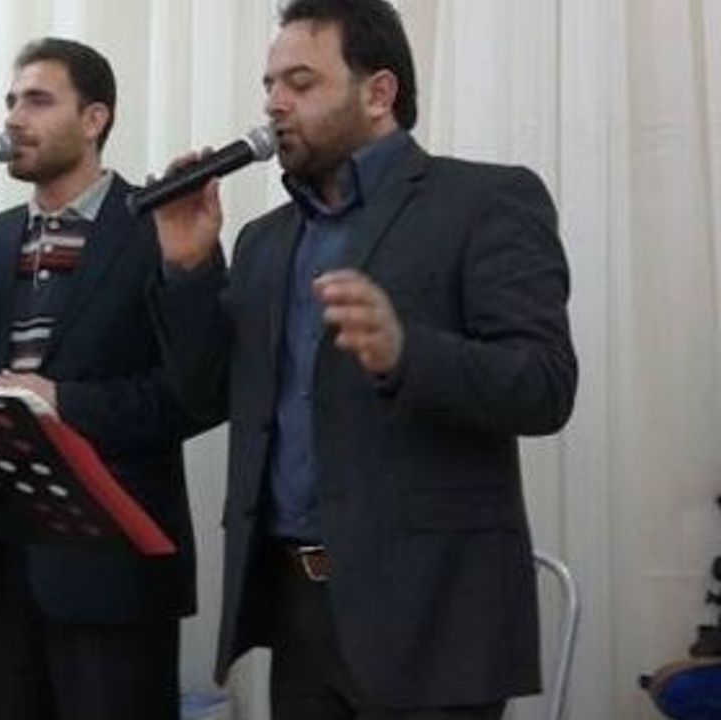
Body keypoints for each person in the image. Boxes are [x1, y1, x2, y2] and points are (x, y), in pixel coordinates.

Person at [150, 1, 579, 718]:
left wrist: (407, 353)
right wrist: (190, 268)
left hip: (432, 614)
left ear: (378, 93)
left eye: (300, 82)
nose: (274, 104)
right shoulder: (263, 240)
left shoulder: (486, 200)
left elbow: (544, 385)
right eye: (268, 85)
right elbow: (202, 397)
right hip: (296, 608)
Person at [0, 37, 200, 720]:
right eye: (10, 101)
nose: (13, 118)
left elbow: (194, 394)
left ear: (94, 119)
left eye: (37, 100)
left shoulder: (160, 223)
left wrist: (64, 403)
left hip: (111, 574)